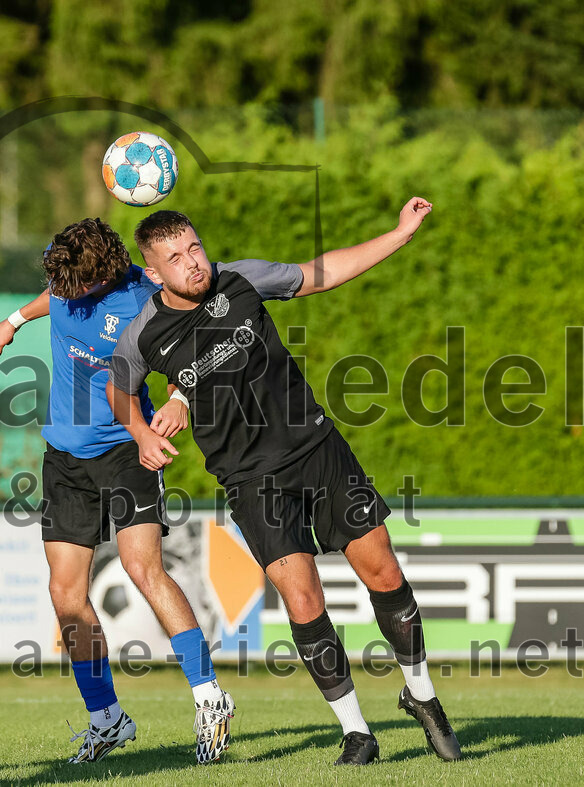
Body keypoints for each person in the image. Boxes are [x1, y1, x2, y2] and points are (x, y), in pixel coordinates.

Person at [108, 202, 461, 765]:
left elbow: (322, 271)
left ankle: (423, 697)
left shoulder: (241, 278)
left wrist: (398, 234)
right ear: (153, 273)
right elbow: (120, 387)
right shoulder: (144, 333)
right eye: (175, 258)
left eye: (195, 248)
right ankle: (356, 732)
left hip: (316, 448)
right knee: (303, 599)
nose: (192, 263)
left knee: (384, 571)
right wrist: (140, 433)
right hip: (250, 480)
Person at [0, 218, 234, 765]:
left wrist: (178, 402)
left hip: (127, 450)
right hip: (65, 457)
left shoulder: (143, 298)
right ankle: (107, 719)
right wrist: (13, 321)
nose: (65, 294)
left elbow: (180, 357)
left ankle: (209, 696)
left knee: (144, 569)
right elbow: (53, 292)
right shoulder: (68, 265)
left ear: (104, 277)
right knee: (64, 593)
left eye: (78, 288)